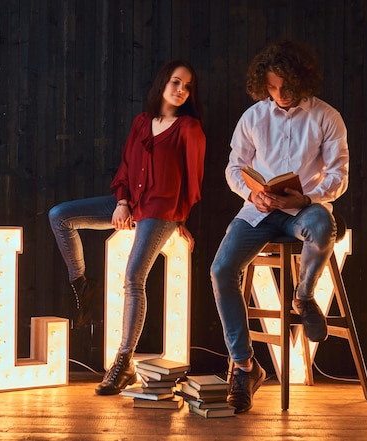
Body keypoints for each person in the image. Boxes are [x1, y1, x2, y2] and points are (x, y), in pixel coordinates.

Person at [48, 60, 206, 395]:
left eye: (187, 87)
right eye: (176, 82)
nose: (181, 91)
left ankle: (123, 363)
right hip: (130, 205)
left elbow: (193, 183)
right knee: (60, 215)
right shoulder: (141, 123)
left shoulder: (189, 129)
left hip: (161, 212)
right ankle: (82, 284)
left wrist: (182, 221)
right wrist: (121, 202)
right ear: (163, 83)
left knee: (134, 277)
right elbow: (125, 168)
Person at [210, 39, 349, 413]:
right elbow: (234, 168)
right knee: (221, 270)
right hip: (258, 212)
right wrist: (251, 194)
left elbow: (339, 175)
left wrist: (305, 198)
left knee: (324, 223)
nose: (280, 94)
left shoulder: (326, 116)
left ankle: (303, 298)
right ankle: (244, 366)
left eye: (286, 85)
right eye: (271, 87)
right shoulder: (252, 117)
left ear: (301, 80)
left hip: (302, 211)